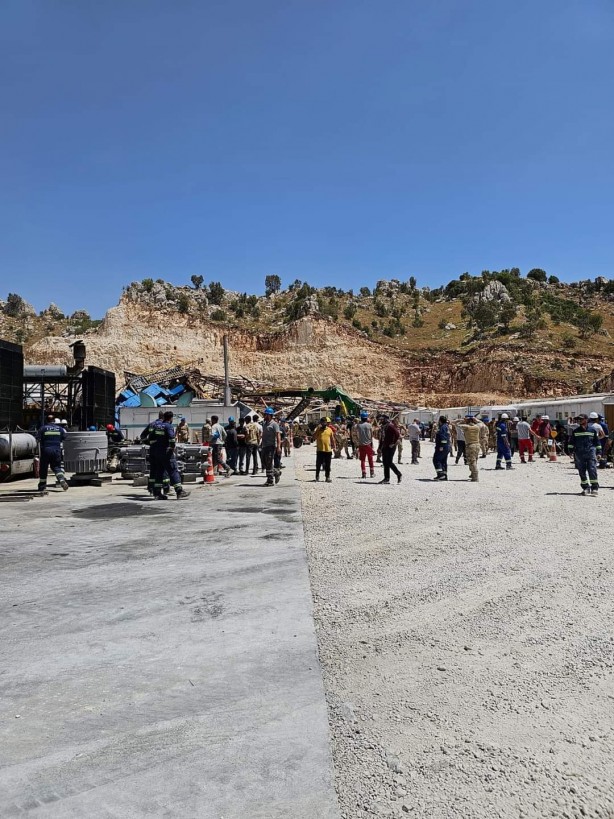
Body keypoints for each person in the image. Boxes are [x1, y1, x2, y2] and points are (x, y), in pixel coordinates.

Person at [147, 410, 190, 500]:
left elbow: (150, 438)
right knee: (173, 471)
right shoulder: (168, 426)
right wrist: (172, 447)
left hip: (157, 453)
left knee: (159, 472)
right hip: (166, 453)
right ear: (171, 418)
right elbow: (171, 438)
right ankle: (179, 491)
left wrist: (156, 446)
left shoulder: (157, 426)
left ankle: (157, 493)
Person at [568, 414, 601, 495]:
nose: (579, 420)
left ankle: (594, 488)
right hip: (579, 454)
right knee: (581, 471)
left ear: (586, 420)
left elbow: (597, 442)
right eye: (578, 419)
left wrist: (599, 452)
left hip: (591, 453)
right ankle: (586, 488)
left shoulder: (592, 431)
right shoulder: (576, 431)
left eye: (581, 419)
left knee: (592, 470)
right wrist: (570, 451)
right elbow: (571, 442)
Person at [37, 414, 69, 492]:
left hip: (46, 450)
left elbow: (37, 439)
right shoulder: (60, 429)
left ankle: (42, 485)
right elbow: (65, 438)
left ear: (46, 420)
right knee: (57, 467)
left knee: (44, 468)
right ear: (54, 420)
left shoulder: (43, 428)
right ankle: (61, 480)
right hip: (56, 450)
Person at [453, 416, 481, 481]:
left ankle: (475, 476)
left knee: (471, 461)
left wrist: (460, 419)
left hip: (470, 445)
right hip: (477, 445)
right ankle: (472, 474)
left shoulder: (466, 427)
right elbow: (481, 423)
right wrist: (476, 419)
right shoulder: (477, 427)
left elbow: (454, 424)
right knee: (475, 460)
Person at [261, 407, 282, 486]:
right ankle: (276, 472)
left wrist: (278, 447)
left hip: (271, 446)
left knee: (269, 462)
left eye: (265, 414)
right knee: (264, 462)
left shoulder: (274, 424)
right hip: (264, 446)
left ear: (269, 415)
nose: (264, 416)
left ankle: (270, 480)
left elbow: (278, 435)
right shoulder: (265, 424)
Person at [380, 416, 402, 484]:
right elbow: (382, 438)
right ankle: (386, 478)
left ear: (386, 419)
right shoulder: (383, 427)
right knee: (385, 463)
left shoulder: (390, 426)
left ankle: (399, 474)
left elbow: (397, 434)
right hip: (385, 446)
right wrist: (379, 447)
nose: (381, 420)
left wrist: (393, 443)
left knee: (389, 462)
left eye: (382, 419)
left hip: (391, 447)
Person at [313, 416, 336, 482]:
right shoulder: (319, 429)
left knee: (328, 465)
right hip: (320, 450)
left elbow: (332, 439)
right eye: (322, 423)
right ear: (320, 423)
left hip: (328, 450)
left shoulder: (329, 430)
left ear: (326, 423)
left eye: (324, 423)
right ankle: (317, 476)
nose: (323, 424)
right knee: (318, 464)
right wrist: (317, 430)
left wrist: (334, 446)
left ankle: (327, 477)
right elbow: (314, 437)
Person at [356, 411, 375, 478]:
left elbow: (357, 435)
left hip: (361, 444)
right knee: (370, 459)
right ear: (366, 418)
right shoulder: (369, 425)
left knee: (362, 460)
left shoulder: (358, 425)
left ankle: (363, 473)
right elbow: (372, 435)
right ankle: (372, 473)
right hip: (368, 444)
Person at [433, 416, 450, 480]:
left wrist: (441, 446)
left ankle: (440, 474)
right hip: (447, 446)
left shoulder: (442, 427)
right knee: (443, 461)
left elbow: (443, 437)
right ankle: (444, 475)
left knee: (436, 460)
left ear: (440, 421)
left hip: (442, 446)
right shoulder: (446, 426)